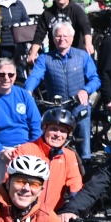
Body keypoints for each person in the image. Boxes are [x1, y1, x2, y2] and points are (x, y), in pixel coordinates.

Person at [24, 21, 99, 158]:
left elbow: (95, 79)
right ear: (53, 39)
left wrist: (85, 90)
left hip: (79, 108)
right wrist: (28, 90)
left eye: (65, 36)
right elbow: (35, 76)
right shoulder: (45, 58)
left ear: (72, 38)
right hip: (57, 110)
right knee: (52, 149)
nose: (62, 39)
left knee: (84, 150)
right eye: (58, 36)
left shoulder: (82, 56)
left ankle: (85, 175)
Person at [12, 107, 86, 212]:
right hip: (25, 212)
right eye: (54, 129)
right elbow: (10, 181)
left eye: (63, 131)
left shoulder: (69, 155)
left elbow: (75, 182)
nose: (58, 134)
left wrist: (75, 205)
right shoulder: (25, 150)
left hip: (53, 216)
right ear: (44, 128)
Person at [31, 0, 93, 65]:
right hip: (55, 55)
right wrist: (33, 53)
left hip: (76, 53)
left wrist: (88, 44)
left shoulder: (77, 10)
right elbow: (39, 35)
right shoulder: (47, 13)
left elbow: (86, 28)